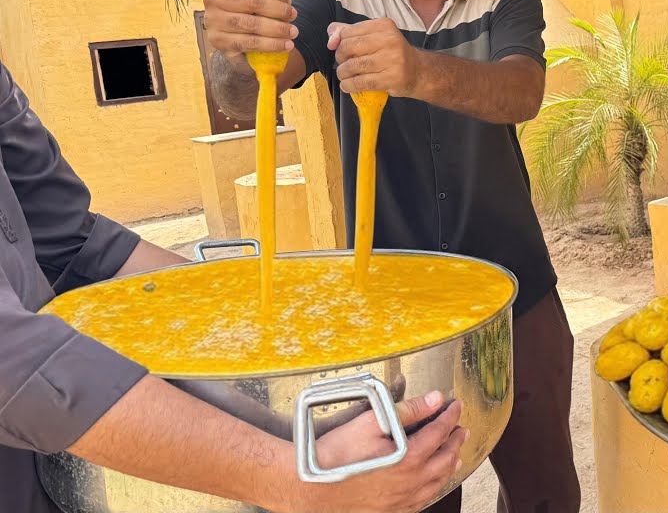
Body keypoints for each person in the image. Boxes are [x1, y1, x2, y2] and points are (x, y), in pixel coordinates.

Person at [201, 0, 579, 513]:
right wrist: (230, 47)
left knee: (546, 490)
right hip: (390, 309)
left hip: (515, 294)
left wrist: (418, 72)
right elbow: (247, 88)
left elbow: (521, 92)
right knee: (412, 497)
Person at [0, 60, 468, 513]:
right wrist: (297, 478)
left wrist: (259, 307)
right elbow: (12, 360)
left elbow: (75, 241)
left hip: (51, 458)